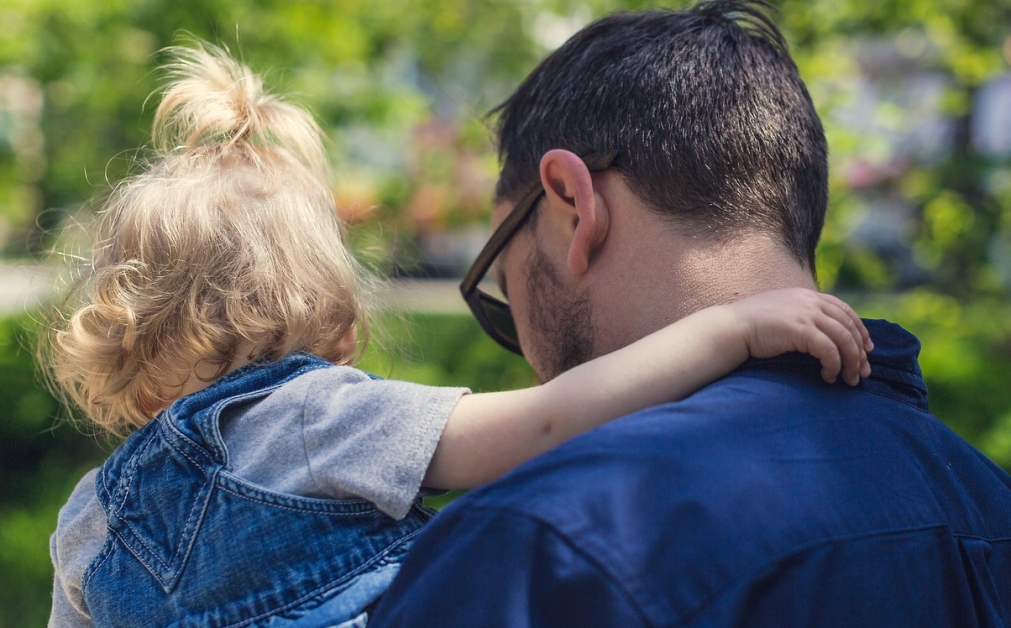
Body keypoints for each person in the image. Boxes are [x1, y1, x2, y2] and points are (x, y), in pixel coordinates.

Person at [43, 43, 872, 628]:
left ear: (122, 350)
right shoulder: (321, 418)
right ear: (333, 318)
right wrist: (725, 331)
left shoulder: (89, 518)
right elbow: (550, 419)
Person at [368, 2, 1011, 627]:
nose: (528, 357)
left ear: (572, 206)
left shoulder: (545, 544)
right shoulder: (986, 500)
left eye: (502, 289)